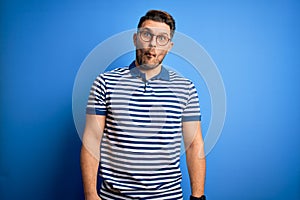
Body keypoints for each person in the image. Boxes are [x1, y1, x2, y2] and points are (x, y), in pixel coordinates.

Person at [80, 10, 206, 200]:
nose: (153, 45)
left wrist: (198, 197)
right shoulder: (105, 82)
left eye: (162, 38)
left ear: (170, 46)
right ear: (135, 38)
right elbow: (91, 140)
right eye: (147, 35)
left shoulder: (185, 88)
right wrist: (91, 195)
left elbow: (194, 144)